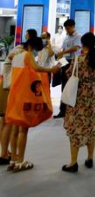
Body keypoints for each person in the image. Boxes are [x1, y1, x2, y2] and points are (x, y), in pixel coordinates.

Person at [7, 37, 60, 172]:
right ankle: (20, 162)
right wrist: (51, 69)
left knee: (14, 129)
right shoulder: (27, 55)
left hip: (14, 96)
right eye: (36, 49)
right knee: (23, 130)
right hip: (24, 96)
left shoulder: (16, 56)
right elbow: (36, 68)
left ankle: (13, 160)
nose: (35, 52)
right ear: (31, 46)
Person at [62, 32, 95, 173]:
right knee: (90, 129)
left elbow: (69, 74)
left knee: (76, 129)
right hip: (91, 99)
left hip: (77, 99)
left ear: (83, 44)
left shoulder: (78, 60)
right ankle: (90, 158)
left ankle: (73, 162)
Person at [0, 29, 37, 166]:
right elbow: (34, 68)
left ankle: (7, 153)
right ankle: (6, 154)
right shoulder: (22, 52)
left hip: (5, 84)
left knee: (5, 121)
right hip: (10, 87)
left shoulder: (18, 50)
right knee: (9, 122)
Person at [54, 19, 82, 119]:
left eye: (68, 28)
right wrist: (59, 59)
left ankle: (73, 110)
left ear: (73, 26)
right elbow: (63, 49)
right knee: (64, 86)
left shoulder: (78, 36)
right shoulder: (66, 37)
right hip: (65, 62)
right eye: (66, 28)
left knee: (73, 87)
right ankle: (63, 110)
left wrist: (63, 52)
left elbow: (76, 48)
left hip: (74, 63)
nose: (67, 30)